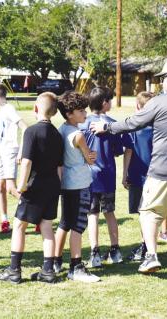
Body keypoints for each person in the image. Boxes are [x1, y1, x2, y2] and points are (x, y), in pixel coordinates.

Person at [90, 59, 167, 275]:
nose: (162, 83)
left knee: (149, 212)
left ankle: (151, 256)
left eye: (164, 78)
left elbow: (133, 123)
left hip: (162, 171)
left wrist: (107, 127)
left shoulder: (160, 102)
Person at [0, 92, 63, 284]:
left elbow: (26, 163)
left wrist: (22, 186)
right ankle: (48, 270)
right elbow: (60, 166)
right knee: (47, 227)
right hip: (53, 186)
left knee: (19, 226)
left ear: (35, 109)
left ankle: (14, 270)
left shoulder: (31, 132)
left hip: (35, 186)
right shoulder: (57, 134)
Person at [53, 91, 100, 283]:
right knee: (78, 226)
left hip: (66, 183)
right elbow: (89, 157)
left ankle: (55, 261)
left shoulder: (61, 129)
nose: (85, 114)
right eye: (81, 111)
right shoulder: (78, 135)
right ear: (70, 113)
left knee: (65, 222)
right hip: (80, 183)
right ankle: (76, 265)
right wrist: (92, 156)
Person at [79, 86, 125, 268]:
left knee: (93, 214)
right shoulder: (112, 124)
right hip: (107, 175)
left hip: (89, 176)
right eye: (110, 100)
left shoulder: (82, 124)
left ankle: (94, 252)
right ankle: (115, 250)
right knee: (109, 212)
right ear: (104, 103)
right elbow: (117, 151)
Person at [122, 92, 163, 262]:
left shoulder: (133, 126)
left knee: (142, 213)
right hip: (157, 175)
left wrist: (124, 175)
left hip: (138, 176)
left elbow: (128, 151)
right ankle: (148, 244)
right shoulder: (160, 126)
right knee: (152, 213)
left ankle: (146, 245)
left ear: (138, 106)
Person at [0, 82, 28, 233]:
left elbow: (25, 128)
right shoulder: (1, 110)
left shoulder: (9, 109)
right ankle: (4, 220)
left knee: (11, 188)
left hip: (10, 150)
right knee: (1, 187)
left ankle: (38, 212)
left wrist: (21, 151)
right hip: (0, 151)